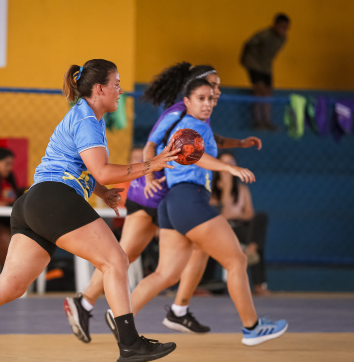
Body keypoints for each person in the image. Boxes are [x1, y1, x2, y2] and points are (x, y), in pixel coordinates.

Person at [0, 59, 180, 362]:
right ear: (99, 89)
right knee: (116, 261)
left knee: (10, 285)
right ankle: (129, 342)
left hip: (34, 201)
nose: (120, 90)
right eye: (116, 83)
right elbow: (102, 170)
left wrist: (100, 192)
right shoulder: (86, 118)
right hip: (54, 199)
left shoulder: (88, 118)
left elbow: (81, 168)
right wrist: (155, 163)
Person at [64, 63, 263, 342]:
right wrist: (154, 171)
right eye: (213, 85)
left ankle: (179, 309)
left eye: (217, 87)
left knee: (196, 248)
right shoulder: (178, 111)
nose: (217, 90)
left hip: (165, 194)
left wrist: (239, 144)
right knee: (125, 255)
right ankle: (85, 303)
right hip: (151, 191)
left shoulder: (197, 116)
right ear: (195, 86)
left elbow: (207, 143)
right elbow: (151, 143)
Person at [107, 78, 287, 347]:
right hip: (188, 198)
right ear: (187, 101)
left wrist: (238, 144)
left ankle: (120, 315)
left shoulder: (199, 127)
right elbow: (192, 154)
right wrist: (228, 168)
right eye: (201, 98)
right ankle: (252, 328)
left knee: (166, 273)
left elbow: (203, 146)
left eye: (211, 99)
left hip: (173, 203)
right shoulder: (189, 125)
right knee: (236, 260)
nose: (207, 103)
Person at [211, 152, 270, 296]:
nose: (228, 166)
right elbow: (220, 215)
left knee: (260, 218)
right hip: (221, 230)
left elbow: (249, 214)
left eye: (231, 163)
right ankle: (252, 247)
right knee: (255, 240)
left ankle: (252, 249)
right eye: (225, 163)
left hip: (240, 227)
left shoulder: (242, 189)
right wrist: (226, 187)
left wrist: (236, 215)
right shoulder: (211, 190)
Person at [240, 13, 291, 130]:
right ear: (275, 25)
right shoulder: (263, 35)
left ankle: (267, 120)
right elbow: (248, 44)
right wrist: (245, 60)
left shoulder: (283, 39)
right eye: (281, 27)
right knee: (259, 90)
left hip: (266, 67)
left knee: (268, 93)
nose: (283, 30)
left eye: (286, 28)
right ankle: (258, 121)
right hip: (254, 64)